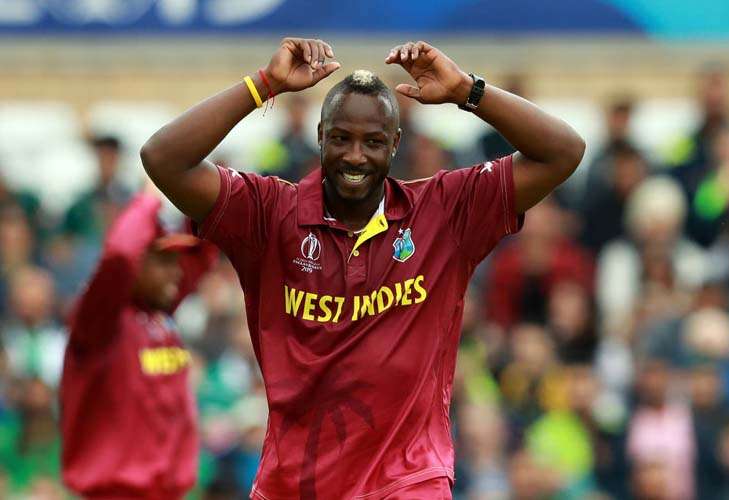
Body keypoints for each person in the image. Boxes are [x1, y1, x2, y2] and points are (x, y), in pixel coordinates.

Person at [141, 37, 585, 499]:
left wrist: (466, 91)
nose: (355, 156)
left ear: (395, 144)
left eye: (373, 142)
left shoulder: (444, 211)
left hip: (409, 482)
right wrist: (264, 84)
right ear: (320, 136)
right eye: (341, 138)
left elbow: (564, 151)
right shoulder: (269, 215)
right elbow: (163, 158)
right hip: (294, 485)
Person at [60, 182, 217, 499]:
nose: (176, 272)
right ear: (136, 263)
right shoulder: (100, 322)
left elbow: (203, 253)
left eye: (175, 262)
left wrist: (198, 190)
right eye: (163, 261)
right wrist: (147, 199)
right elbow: (119, 255)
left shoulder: (160, 315)